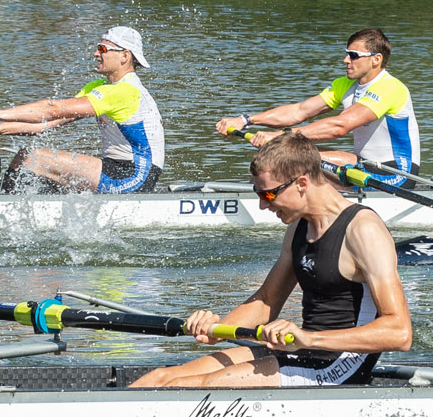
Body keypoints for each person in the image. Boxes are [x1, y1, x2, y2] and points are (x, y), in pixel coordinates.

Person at [134, 134, 412, 389]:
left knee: (191, 385)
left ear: (301, 183)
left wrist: (308, 338)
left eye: (268, 194)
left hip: (341, 363)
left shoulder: (363, 229)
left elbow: (399, 332)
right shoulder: (298, 226)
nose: (263, 205)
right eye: (258, 194)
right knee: (163, 377)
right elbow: (267, 300)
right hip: (299, 346)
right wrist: (215, 330)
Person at [0, 27, 167, 193]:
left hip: (135, 176)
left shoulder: (125, 91)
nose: (95, 53)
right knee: (28, 161)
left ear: (125, 56)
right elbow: (45, 123)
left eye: (102, 48)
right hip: (113, 169)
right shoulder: (97, 87)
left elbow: (52, 108)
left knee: (33, 157)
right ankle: (4, 201)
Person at [219, 27, 421, 181]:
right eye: (346, 53)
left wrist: (281, 136)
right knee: (288, 158)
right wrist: (246, 120)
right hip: (363, 166)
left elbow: (340, 126)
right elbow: (300, 111)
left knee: (291, 157)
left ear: (376, 59)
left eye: (353, 55)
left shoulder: (390, 87)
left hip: (395, 173)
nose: (345, 60)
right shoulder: (344, 85)